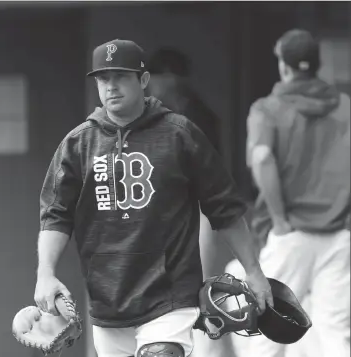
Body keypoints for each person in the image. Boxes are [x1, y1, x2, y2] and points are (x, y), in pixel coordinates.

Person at [34, 39, 273, 357]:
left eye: (120, 76)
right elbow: (56, 214)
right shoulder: (78, 144)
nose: (111, 86)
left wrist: (253, 271)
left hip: (169, 296)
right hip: (108, 301)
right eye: (104, 79)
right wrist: (45, 274)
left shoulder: (181, 134)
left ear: (143, 81)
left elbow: (224, 207)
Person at [228, 29, 350, 357]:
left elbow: (262, 157)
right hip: (338, 234)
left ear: (283, 66)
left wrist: (280, 219)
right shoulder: (346, 108)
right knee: (333, 330)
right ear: (317, 65)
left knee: (263, 327)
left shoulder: (269, 109)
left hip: (289, 234)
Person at [146, 47, 236, 357]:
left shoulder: (197, 118)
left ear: (172, 78)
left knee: (200, 291)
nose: (151, 85)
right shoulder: (163, 116)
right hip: (174, 217)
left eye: (156, 77)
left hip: (198, 214)